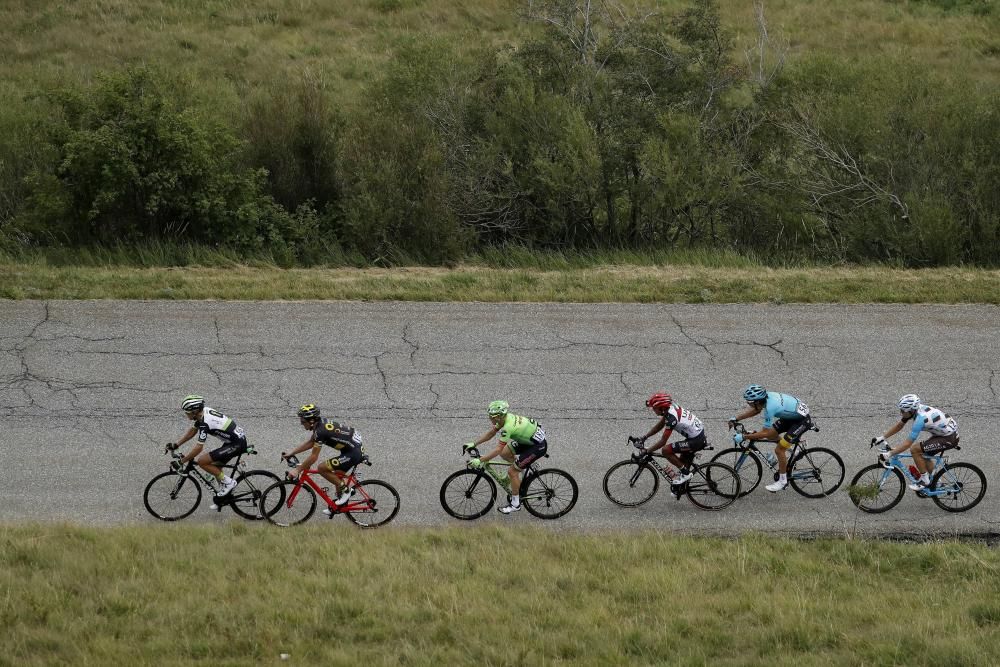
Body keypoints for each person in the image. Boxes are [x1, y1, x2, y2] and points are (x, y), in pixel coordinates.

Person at [464, 400, 547, 515]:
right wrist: (474, 443)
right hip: (529, 442)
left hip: (537, 446)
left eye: (492, 416)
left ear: (498, 417)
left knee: (512, 472)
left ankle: (515, 504)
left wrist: (480, 460)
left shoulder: (508, 427)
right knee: (505, 453)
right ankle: (524, 466)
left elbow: (497, 449)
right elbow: (491, 433)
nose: (490, 418)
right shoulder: (504, 418)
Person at [729, 384, 814, 492]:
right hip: (791, 416)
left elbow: (766, 433)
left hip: (801, 421)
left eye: (750, 402)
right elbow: (757, 410)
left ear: (758, 401)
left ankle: (782, 481)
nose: (749, 404)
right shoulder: (765, 398)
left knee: (779, 450)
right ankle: (793, 450)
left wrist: (744, 436)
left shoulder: (770, 408)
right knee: (774, 434)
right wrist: (736, 418)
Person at [283, 404, 364, 512]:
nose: (301, 423)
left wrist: (297, 470)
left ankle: (346, 491)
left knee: (322, 468)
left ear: (311, 420)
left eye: (303, 421)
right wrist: (292, 452)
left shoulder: (320, 431)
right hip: (350, 449)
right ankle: (338, 507)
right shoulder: (319, 425)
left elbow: (314, 457)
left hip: (352, 453)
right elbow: (311, 442)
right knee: (336, 477)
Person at [873, 394, 959, 491]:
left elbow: (908, 444)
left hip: (948, 438)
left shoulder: (920, 420)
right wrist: (882, 437)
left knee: (915, 449)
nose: (901, 412)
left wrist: (889, 454)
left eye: (902, 411)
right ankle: (936, 483)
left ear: (911, 410)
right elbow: (899, 425)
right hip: (943, 434)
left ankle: (925, 481)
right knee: (924, 455)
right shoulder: (914, 411)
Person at [167, 395, 247, 497]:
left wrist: (182, 461)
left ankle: (230, 483)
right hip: (233, 441)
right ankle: (223, 498)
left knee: (202, 461)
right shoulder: (203, 412)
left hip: (237, 444)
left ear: (195, 411)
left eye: (187, 412)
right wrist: (176, 444)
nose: (186, 414)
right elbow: (193, 431)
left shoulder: (205, 423)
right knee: (215, 465)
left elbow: (199, 448)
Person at [632, 393, 707, 488]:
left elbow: (663, 442)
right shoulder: (669, 409)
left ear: (661, 408)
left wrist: (647, 451)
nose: (653, 410)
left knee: (666, 450)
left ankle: (686, 474)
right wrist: (644, 437)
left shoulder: (672, 418)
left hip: (696, 440)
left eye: (654, 408)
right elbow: (660, 425)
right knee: (681, 461)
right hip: (696, 434)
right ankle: (680, 484)